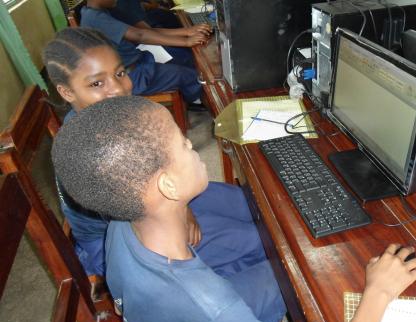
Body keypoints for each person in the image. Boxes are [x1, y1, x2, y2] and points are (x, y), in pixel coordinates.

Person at [51, 95, 416, 322]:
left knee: (286, 265)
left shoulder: (120, 222)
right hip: (194, 320)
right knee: (308, 281)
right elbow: (211, 308)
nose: (194, 147)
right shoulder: (211, 307)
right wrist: (379, 292)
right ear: (167, 185)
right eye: (184, 144)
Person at [42, 27, 268, 279]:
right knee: (261, 241)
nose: (117, 89)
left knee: (255, 206)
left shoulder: (114, 111)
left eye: (120, 73)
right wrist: (183, 209)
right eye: (97, 83)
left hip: (158, 195)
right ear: (67, 92)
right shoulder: (85, 150)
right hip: (124, 236)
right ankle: (217, 289)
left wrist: (182, 202)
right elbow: (136, 212)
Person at [80, 0, 211, 105]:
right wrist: (186, 41)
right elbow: (139, 34)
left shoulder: (100, 11)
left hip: (137, 62)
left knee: (186, 58)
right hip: (131, 77)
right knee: (186, 74)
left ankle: (192, 94)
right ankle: (198, 101)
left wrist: (187, 32)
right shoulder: (96, 18)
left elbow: (146, 31)